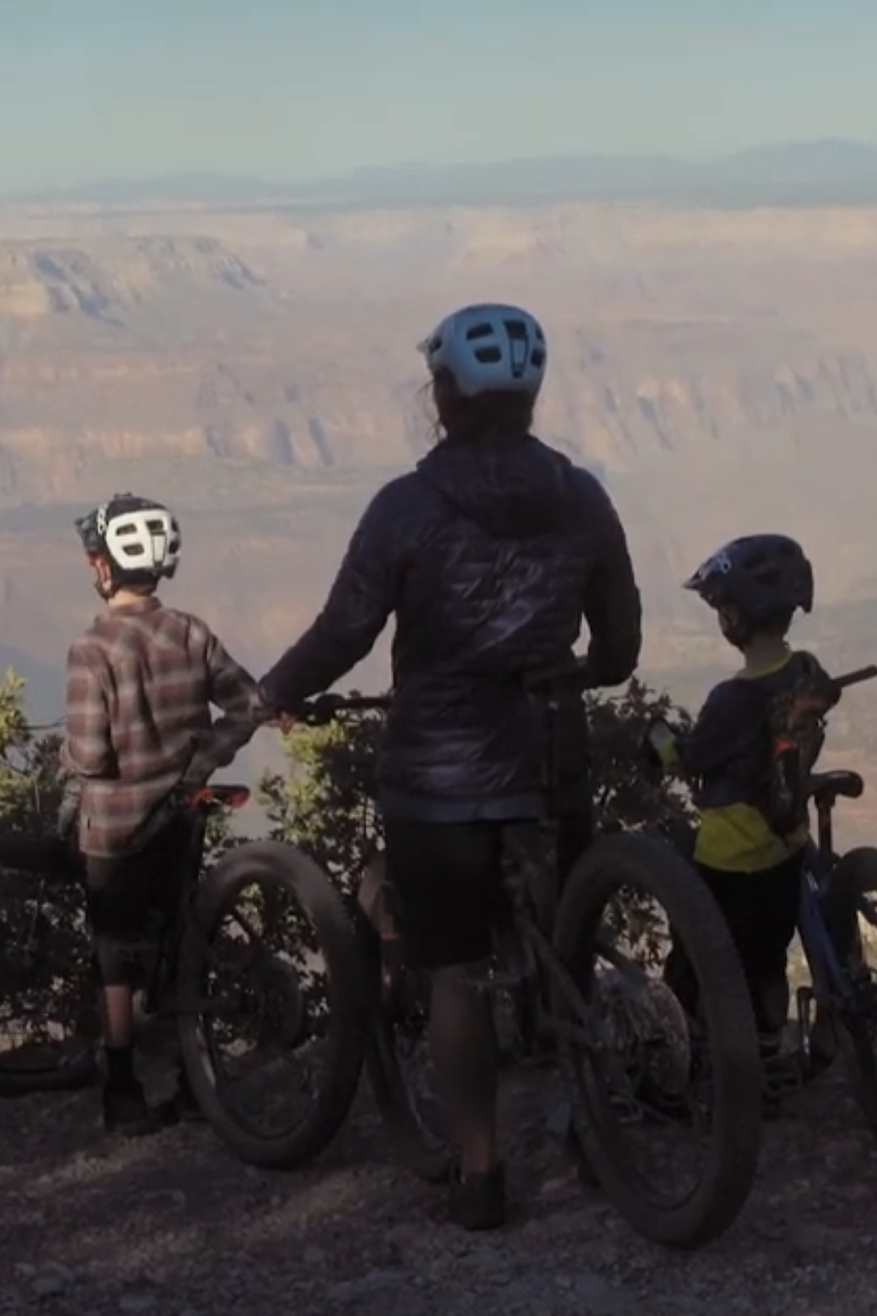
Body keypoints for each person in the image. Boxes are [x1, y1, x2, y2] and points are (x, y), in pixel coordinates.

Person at [257, 303, 642, 1231]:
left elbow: (346, 630)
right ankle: (597, 1128)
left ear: (444, 395)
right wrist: (572, 673)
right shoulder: (583, 496)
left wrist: (273, 691)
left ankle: (481, 1173)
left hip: (440, 776)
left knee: (458, 973)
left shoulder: (408, 506)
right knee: (568, 945)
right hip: (550, 756)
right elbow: (621, 644)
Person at [61, 494, 273, 1134]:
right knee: (182, 934)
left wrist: (69, 757)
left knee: (114, 954)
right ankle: (192, 1081)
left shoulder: (92, 649)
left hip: (117, 827)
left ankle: (122, 1089)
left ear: (104, 567)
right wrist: (206, 756)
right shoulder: (192, 632)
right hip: (181, 814)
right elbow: (248, 704)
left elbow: (92, 753)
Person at [644, 533, 837, 1107]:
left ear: (732, 616)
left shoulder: (731, 700)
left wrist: (659, 743)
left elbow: (694, 755)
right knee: (769, 961)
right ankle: (771, 1049)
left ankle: (702, 1061)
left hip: (730, 861)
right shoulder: (806, 670)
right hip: (785, 848)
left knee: (700, 955)